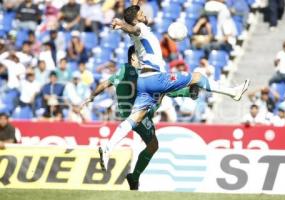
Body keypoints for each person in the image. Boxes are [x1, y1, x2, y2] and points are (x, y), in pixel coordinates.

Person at [106, 3, 249, 179]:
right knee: (197, 76)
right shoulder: (140, 28)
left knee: (133, 119)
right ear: (137, 19)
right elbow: (133, 28)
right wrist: (122, 24)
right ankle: (232, 92)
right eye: (141, 14)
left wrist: (127, 17)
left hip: (144, 82)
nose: (145, 15)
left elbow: (132, 18)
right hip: (155, 77)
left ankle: (107, 148)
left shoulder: (139, 29)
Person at [80, 45, 199, 190]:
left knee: (153, 142)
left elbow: (104, 84)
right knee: (154, 143)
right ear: (133, 57)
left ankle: (133, 177)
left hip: (126, 112)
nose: (144, 60)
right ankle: (133, 174)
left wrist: (91, 97)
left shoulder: (121, 71)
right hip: (137, 113)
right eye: (141, 56)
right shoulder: (138, 72)